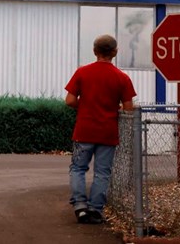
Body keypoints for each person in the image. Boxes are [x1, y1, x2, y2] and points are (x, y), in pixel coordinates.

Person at [65, 34, 136, 225]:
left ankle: (80, 206)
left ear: (94, 51)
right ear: (115, 52)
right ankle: (95, 210)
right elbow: (129, 108)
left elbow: (70, 100)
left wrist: (87, 105)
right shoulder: (122, 78)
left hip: (84, 130)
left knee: (78, 168)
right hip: (107, 132)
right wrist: (113, 108)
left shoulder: (82, 72)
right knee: (102, 172)